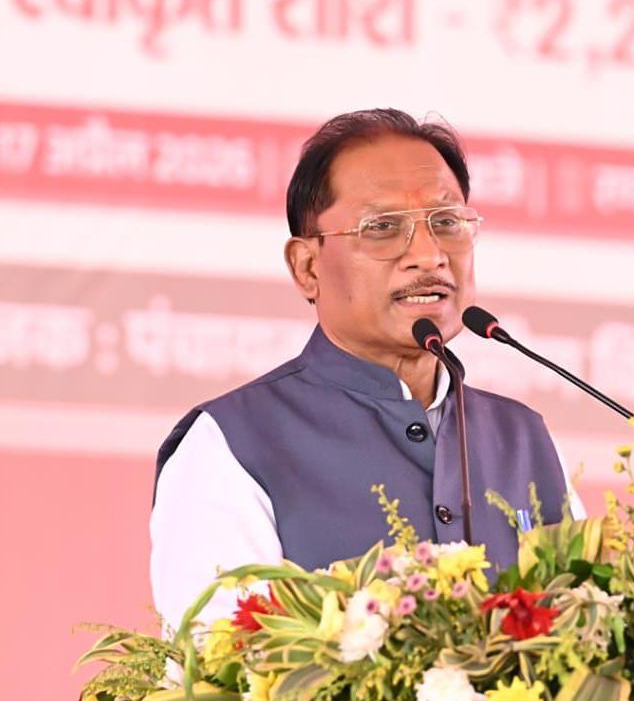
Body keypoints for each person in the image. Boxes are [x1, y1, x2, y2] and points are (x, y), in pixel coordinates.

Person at [150, 109, 584, 631]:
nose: (429, 255)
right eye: (382, 228)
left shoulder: (523, 438)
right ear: (307, 267)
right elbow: (218, 661)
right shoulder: (232, 444)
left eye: (447, 223)